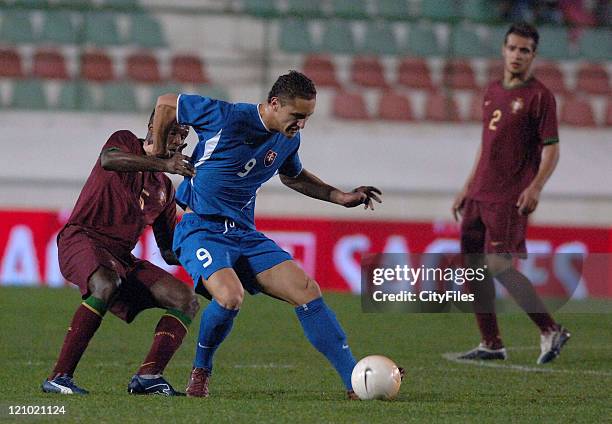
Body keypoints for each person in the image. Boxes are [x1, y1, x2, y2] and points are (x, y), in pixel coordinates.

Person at [152, 71, 383, 399]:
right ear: (274, 104)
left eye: (308, 118)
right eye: (297, 116)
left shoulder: (288, 138)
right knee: (230, 296)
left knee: (307, 290)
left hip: (244, 233)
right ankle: (201, 370)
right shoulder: (227, 117)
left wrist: (340, 197)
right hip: (200, 227)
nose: (302, 124)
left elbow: (294, 177)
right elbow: (166, 103)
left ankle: (353, 382)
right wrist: (161, 154)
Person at [42, 112, 199, 395]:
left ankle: (149, 377)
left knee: (185, 299)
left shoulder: (163, 187)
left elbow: (167, 250)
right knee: (105, 282)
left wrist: (206, 263)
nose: (178, 140)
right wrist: (163, 163)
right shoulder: (124, 141)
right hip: (82, 236)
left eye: (183, 136)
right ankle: (59, 377)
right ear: (154, 127)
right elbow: (109, 160)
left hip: (121, 257)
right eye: (173, 131)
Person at [452, 23, 570, 364]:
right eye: (513, 48)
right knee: (473, 270)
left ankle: (551, 329)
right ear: (503, 50)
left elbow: (553, 149)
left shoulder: (540, 97)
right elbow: (486, 145)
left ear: (533, 56)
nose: (517, 55)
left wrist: (536, 187)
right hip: (479, 193)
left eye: (525, 50)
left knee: (499, 265)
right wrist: (466, 187)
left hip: (509, 197)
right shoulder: (491, 90)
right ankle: (491, 343)